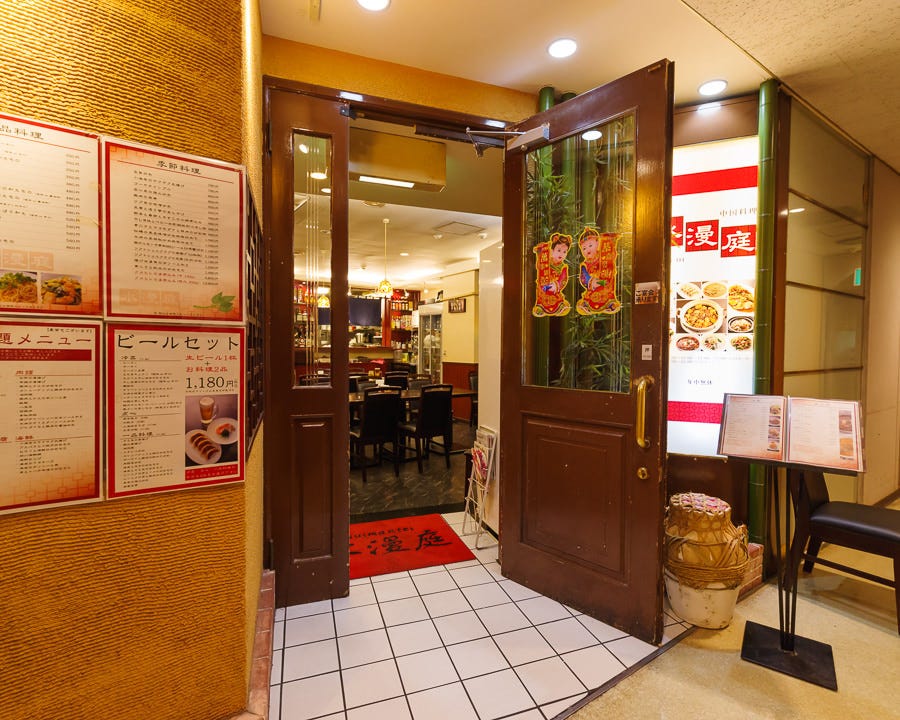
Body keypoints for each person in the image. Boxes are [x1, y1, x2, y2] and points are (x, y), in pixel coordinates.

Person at [576, 226, 621, 315]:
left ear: (598, 243)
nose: (587, 249)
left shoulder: (603, 257)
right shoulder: (585, 264)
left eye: (590, 245)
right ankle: (587, 305)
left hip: (605, 286)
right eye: (584, 248)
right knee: (590, 298)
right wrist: (592, 281)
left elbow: (610, 261)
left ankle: (609, 304)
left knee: (607, 293)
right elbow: (583, 277)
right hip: (592, 286)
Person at [532, 232, 572, 317]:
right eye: (559, 250)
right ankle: (541, 307)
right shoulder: (546, 262)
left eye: (564, 252)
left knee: (558, 303)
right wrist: (540, 252)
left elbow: (563, 279)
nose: (561, 254)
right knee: (542, 300)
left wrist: (556, 285)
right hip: (543, 291)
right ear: (552, 250)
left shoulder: (563, 267)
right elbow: (540, 266)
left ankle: (559, 307)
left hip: (555, 291)